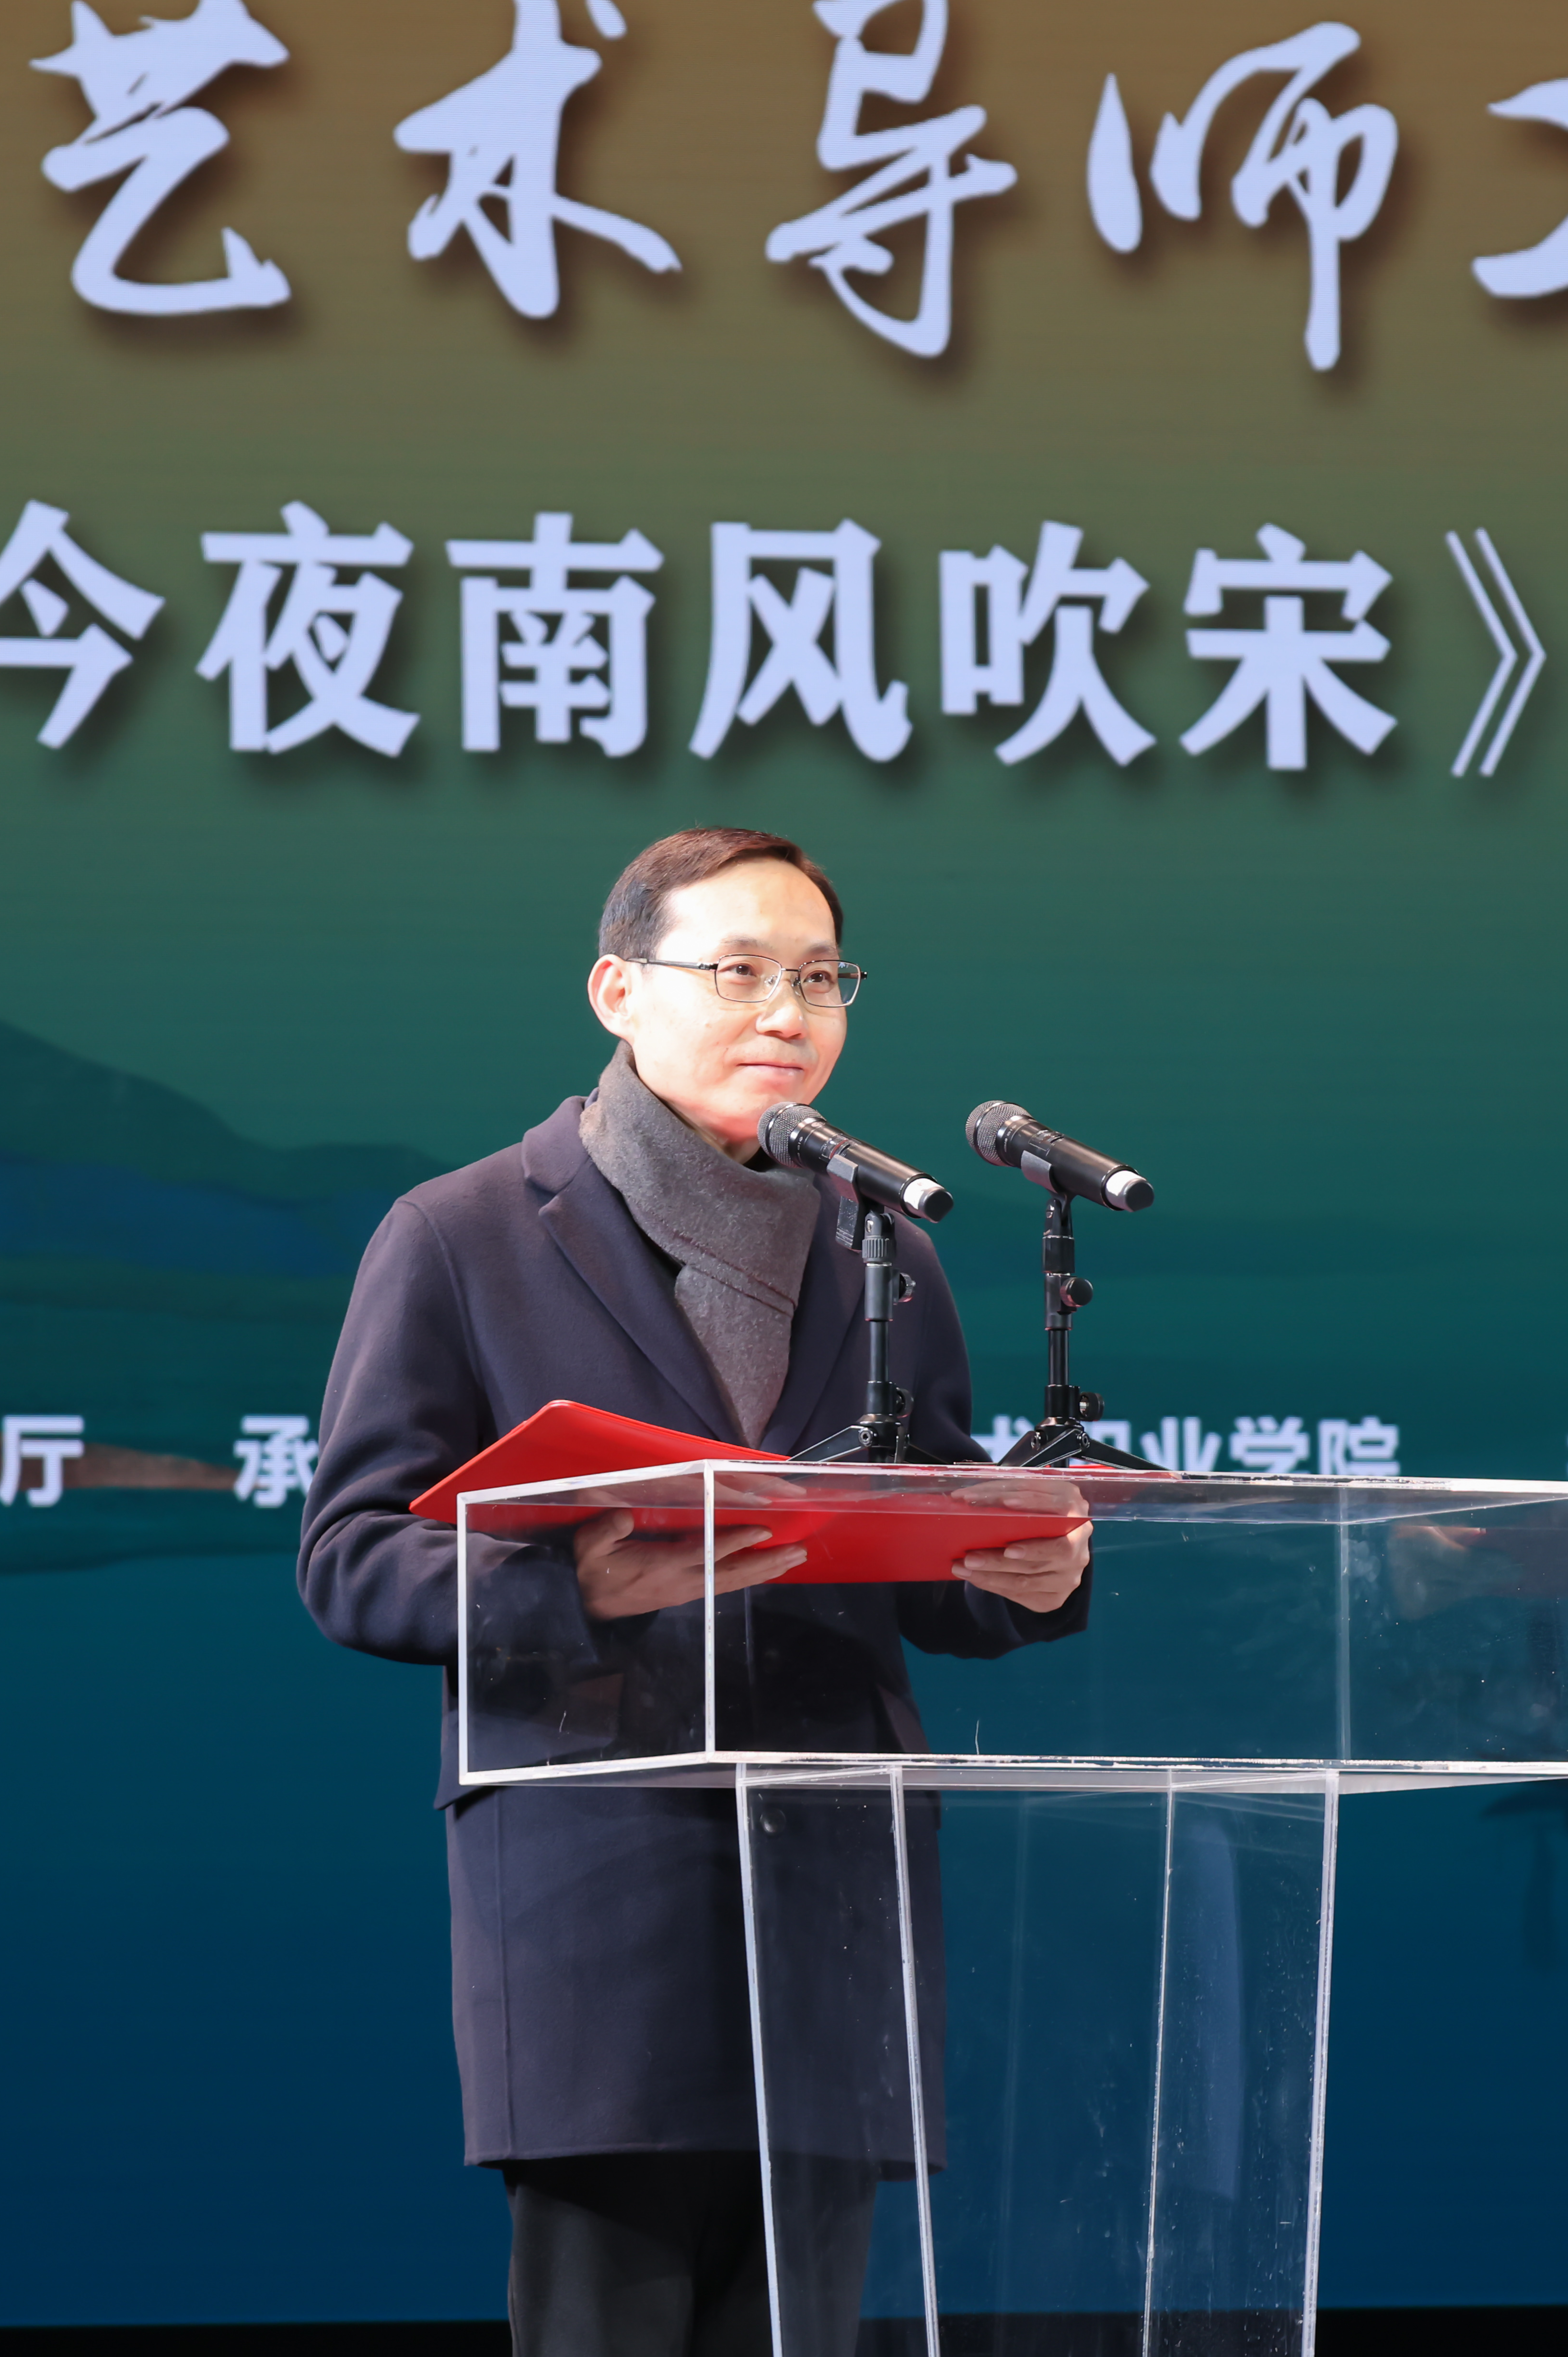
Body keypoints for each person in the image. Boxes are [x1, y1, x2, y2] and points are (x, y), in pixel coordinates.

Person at [298, 827, 1091, 2357]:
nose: (785, 1011)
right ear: (616, 990)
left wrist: (1027, 1572)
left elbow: (927, 1557)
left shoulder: (885, 1250)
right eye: (737, 971)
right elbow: (349, 1558)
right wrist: (569, 1579)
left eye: (820, 978)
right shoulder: (464, 1233)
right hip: (605, 1878)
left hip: (835, 1875)